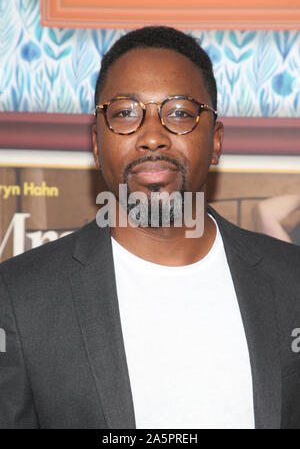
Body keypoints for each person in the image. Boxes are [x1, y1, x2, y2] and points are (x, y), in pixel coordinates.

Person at [1, 26, 300, 430]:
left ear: (216, 140)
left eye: (178, 112)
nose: (153, 137)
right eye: (125, 112)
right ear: (95, 143)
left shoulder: (291, 280)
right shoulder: (20, 297)